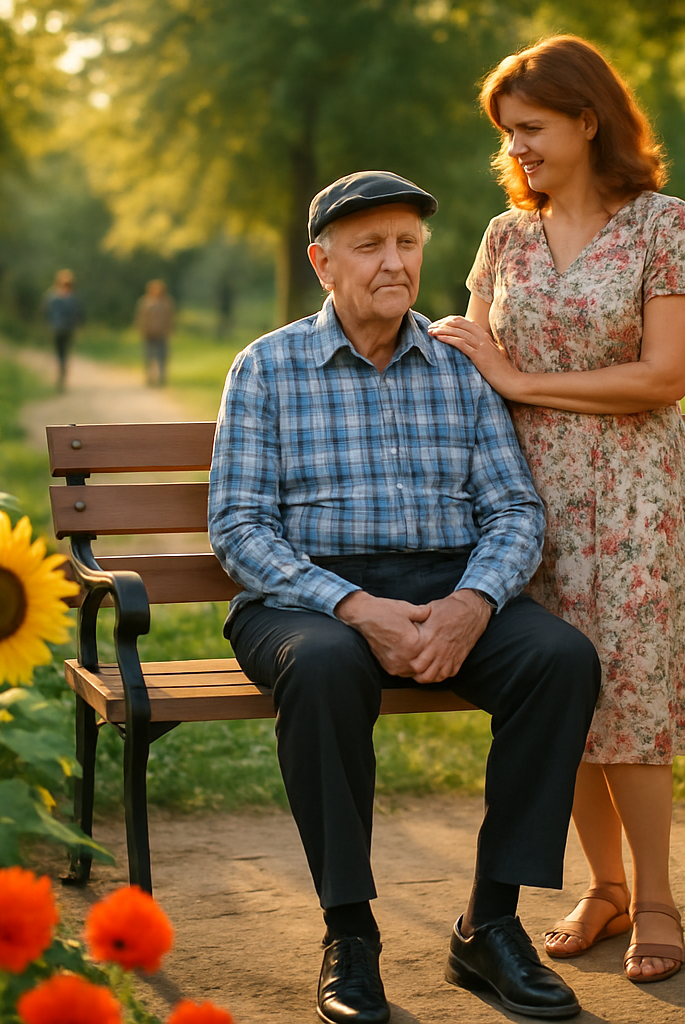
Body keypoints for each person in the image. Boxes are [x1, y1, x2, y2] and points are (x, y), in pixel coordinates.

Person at [208, 170, 602, 1023]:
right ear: (323, 262)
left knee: (560, 658)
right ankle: (349, 934)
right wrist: (354, 607)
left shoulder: (459, 367)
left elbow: (513, 508)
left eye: (408, 244)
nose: (395, 263)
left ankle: (490, 925)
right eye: (370, 246)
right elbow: (239, 528)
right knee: (320, 670)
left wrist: (473, 603)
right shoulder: (266, 368)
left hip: (447, 582)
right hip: (306, 599)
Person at [428, 35, 685, 985]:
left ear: (590, 121)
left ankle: (661, 897)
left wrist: (518, 376)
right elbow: (467, 352)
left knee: (631, 697)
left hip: (633, 495)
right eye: (508, 136)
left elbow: (664, 377)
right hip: (525, 502)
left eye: (534, 130)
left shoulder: (663, 224)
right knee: (568, 695)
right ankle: (605, 888)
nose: (518, 152)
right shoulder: (505, 236)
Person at [43, 269, 84, 389]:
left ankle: (62, 374)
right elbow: (46, 312)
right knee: (59, 352)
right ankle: (61, 373)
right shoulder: (52, 296)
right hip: (57, 328)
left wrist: (79, 326)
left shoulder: (72, 298)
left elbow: (78, 314)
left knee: (64, 353)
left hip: (68, 328)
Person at [134, 278, 176, 386]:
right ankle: (149, 378)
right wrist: (142, 330)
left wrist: (169, 330)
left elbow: (170, 318)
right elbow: (141, 318)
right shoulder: (145, 302)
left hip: (161, 334)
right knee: (149, 357)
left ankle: (161, 378)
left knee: (162, 358)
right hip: (149, 334)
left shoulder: (167, 303)